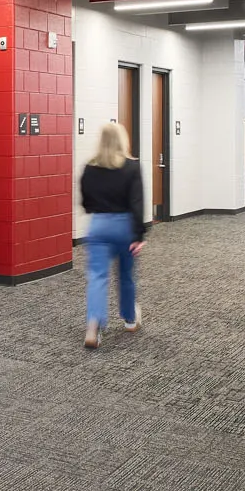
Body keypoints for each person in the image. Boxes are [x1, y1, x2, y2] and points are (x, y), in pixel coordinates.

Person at [79, 121, 146, 350]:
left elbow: (86, 202)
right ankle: (129, 319)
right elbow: (137, 203)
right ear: (122, 140)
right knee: (126, 276)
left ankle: (93, 324)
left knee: (97, 276)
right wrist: (139, 235)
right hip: (124, 227)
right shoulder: (132, 167)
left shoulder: (89, 167)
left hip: (98, 226)